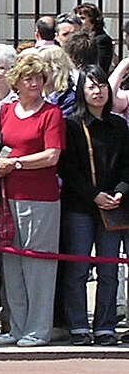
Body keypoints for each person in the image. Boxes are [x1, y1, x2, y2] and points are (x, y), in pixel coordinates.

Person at [0, 54, 65, 348]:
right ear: (17, 81)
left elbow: (52, 155)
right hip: (7, 196)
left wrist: (16, 164)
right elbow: (4, 144)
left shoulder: (51, 113)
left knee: (38, 266)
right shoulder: (7, 110)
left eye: (39, 78)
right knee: (12, 263)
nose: (34, 83)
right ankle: (17, 327)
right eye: (28, 78)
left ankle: (38, 329)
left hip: (40, 198)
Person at [58, 65, 129, 347]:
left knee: (109, 269)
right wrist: (93, 195)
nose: (97, 91)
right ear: (81, 92)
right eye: (91, 87)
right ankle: (78, 325)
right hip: (81, 206)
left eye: (101, 86)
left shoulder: (118, 124)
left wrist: (121, 192)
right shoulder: (72, 124)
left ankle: (105, 326)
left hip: (113, 205)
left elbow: (127, 164)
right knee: (78, 268)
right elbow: (69, 169)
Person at [73, 3, 113, 72]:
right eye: (77, 19)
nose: (78, 22)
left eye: (82, 18)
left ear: (93, 20)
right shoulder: (77, 37)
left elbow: (101, 65)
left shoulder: (102, 39)